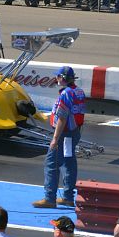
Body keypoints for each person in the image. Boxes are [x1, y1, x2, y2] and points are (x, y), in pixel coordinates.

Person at [33, 66, 86, 208]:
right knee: (69, 162)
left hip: (64, 133)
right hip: (74, 132)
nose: (56, 78)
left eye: (58, 76)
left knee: (51, 163)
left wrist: (55, 139)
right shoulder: (79, 91)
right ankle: (68, 197)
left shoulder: (66, 94)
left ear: (63, 78)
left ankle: (49, 199)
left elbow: (62, 117)